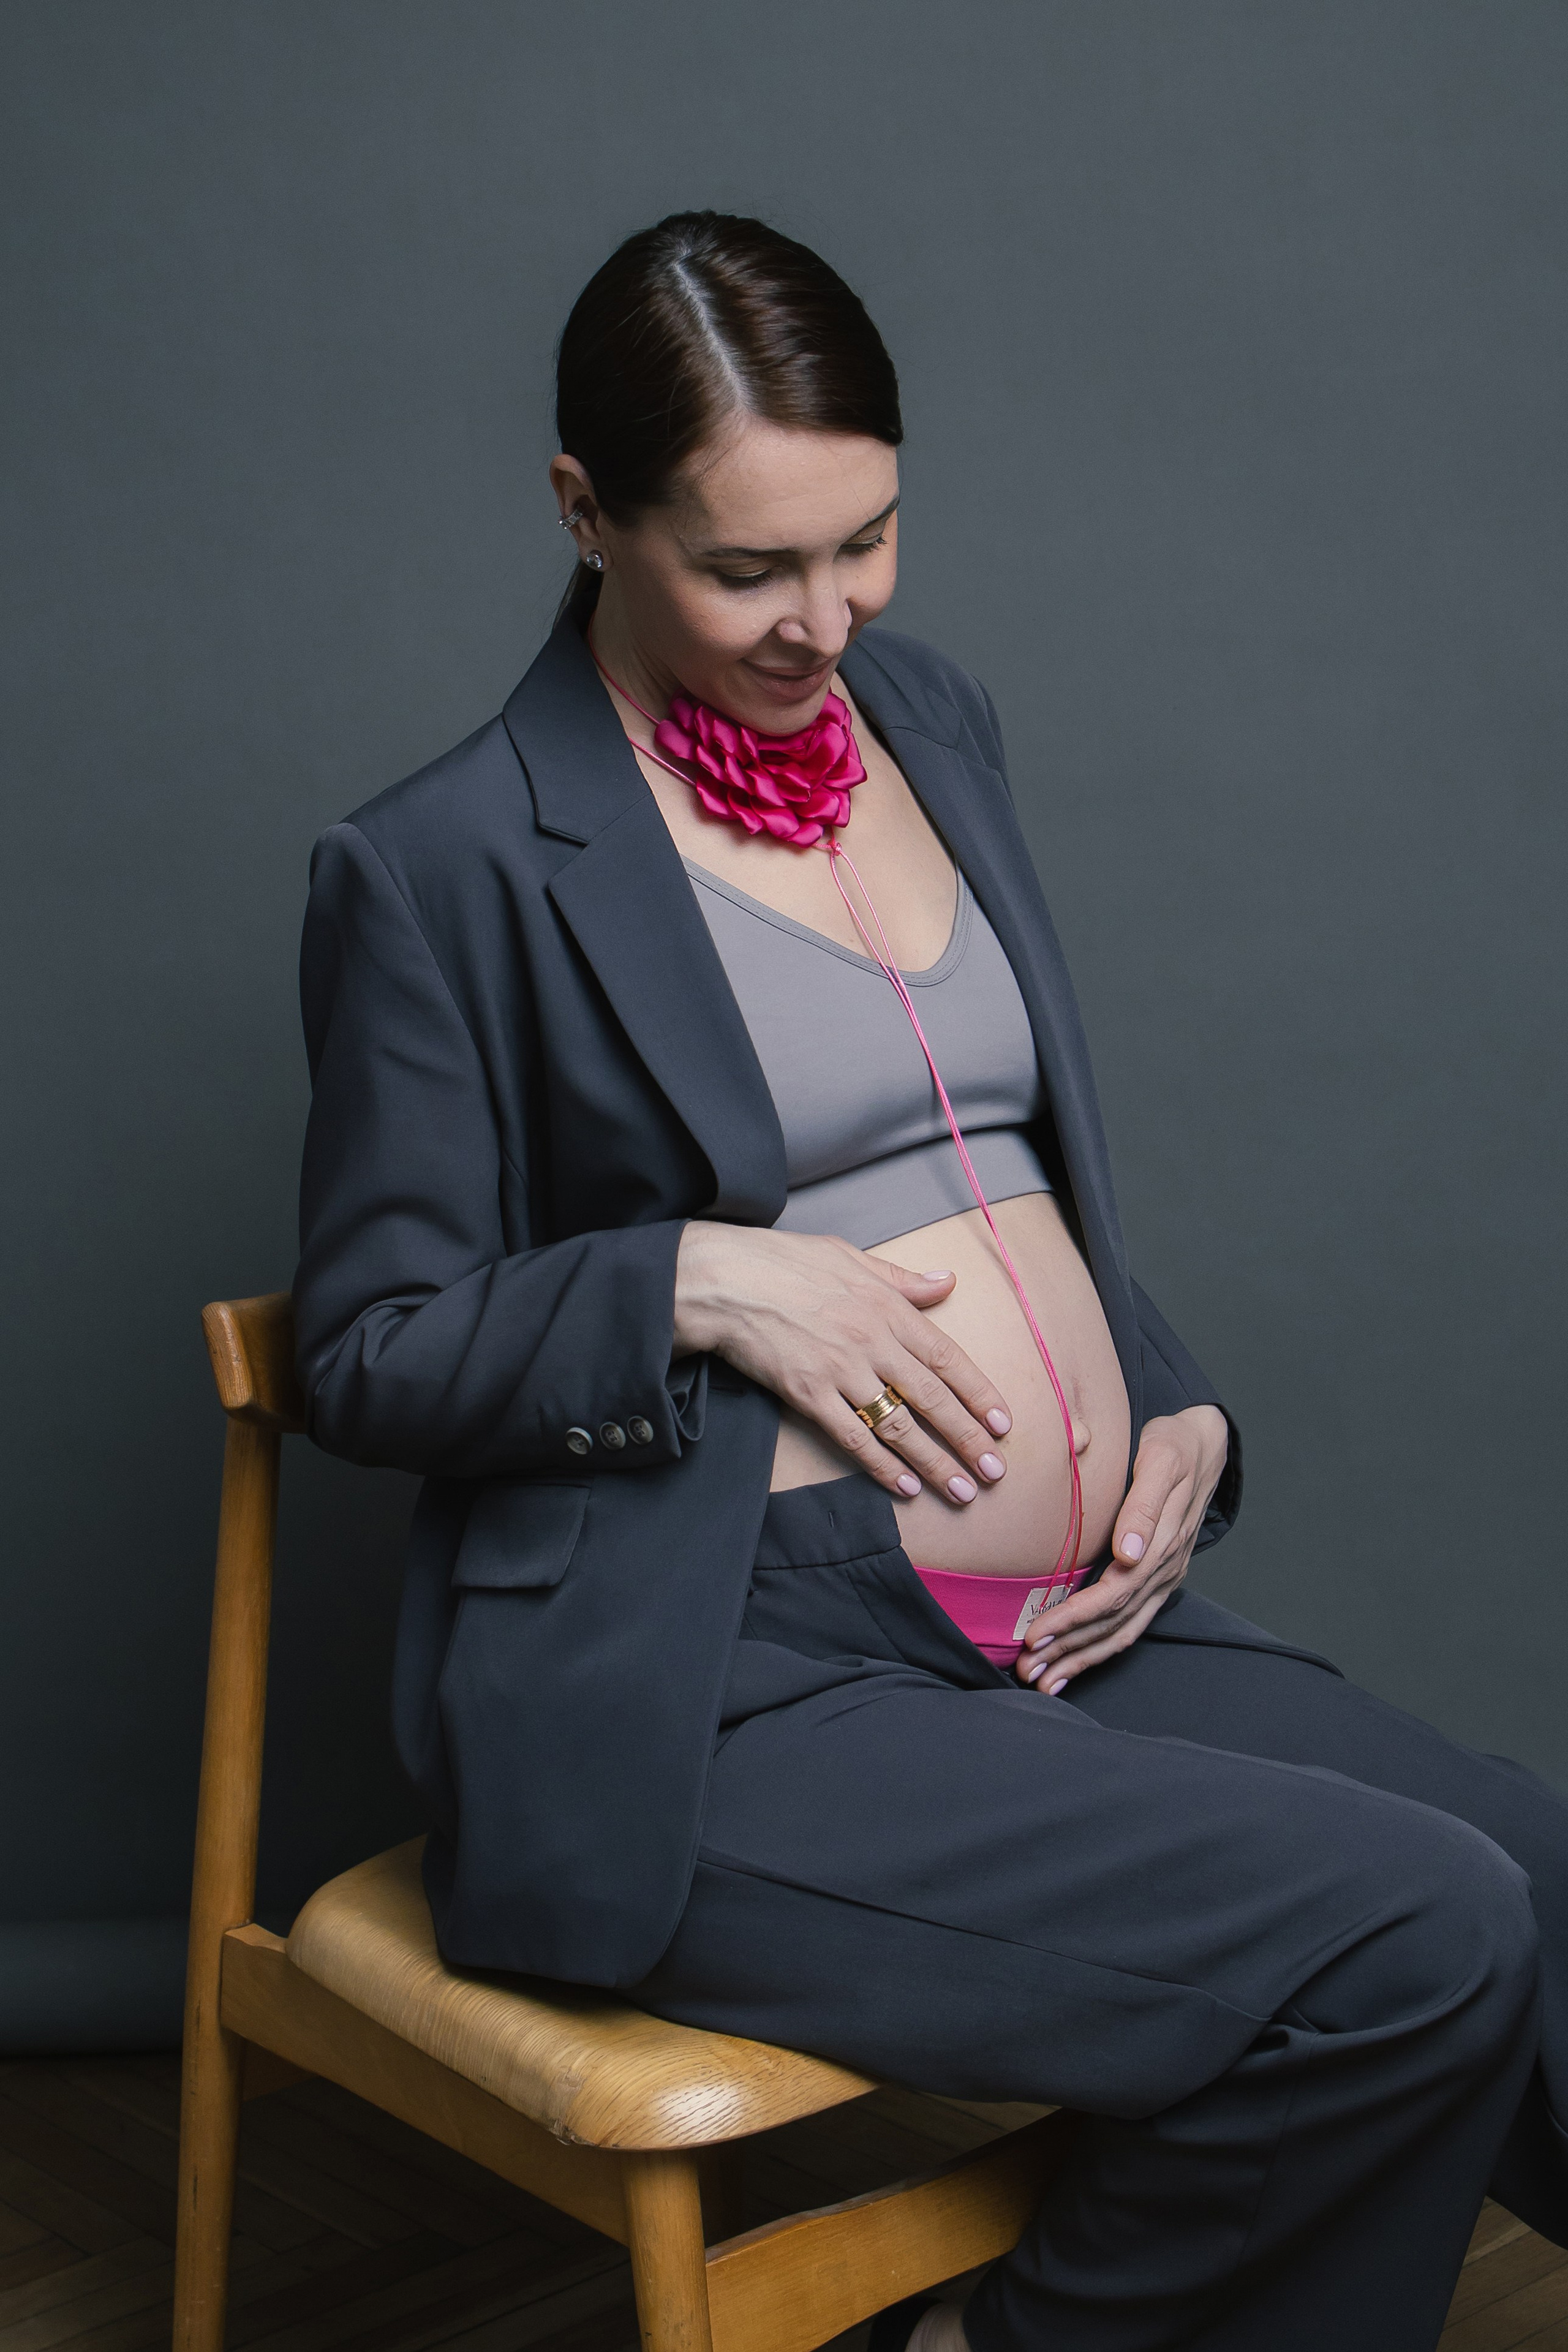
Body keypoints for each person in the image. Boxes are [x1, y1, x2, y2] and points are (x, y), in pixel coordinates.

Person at [292, 212, 1568, 2352]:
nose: (827, 620)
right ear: (584, 513)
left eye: (867, 540)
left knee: (1543, 1864)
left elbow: (1006, 1161)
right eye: (748, 568)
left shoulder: (937, 722)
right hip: (728, 1681)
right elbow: (366, 1347)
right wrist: (694, 1277)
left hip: (1051, 1625)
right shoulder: (441, 864)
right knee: (1417, 1929)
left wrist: (1167, 1400)